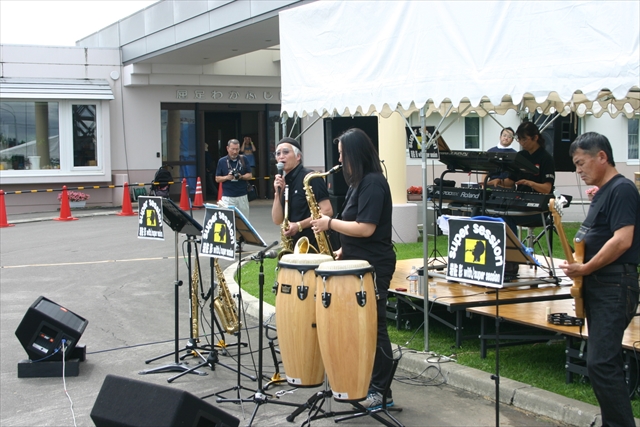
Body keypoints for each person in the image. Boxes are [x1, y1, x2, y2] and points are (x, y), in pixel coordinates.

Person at [311, 128, 396, 410]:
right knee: (361, 327)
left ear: (354, 154)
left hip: (374, 265)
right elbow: (356, 226)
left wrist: (329, 224)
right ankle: (365, 382)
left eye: (341, 154)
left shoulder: (372, 183)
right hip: (358, 261)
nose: (339, 160)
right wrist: (343, 250)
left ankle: (382, 391)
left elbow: (366, 228)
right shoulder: (359, 183)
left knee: (374, 327)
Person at [559, 132, 639, 427]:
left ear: (602, 157)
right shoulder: (605, 191)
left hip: (614, 284)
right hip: (599, 283)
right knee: (600, 363)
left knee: (602, 362)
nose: (578, 171)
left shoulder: (622, 189)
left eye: (581, 163)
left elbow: (622, 240)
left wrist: (587, 267)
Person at [271, 137, 333, 250]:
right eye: (278, 153)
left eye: (286, 152)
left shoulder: (311, 177)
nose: (281, 156)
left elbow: (327, 211)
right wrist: (277, 193)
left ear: (298, 156)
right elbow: (277, 220)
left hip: (314, 244)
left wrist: (299, 225)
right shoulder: (284, 181)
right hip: (294, 245)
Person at [215, 139, 252, 250]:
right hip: (227, 196)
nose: (235, 152)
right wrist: (227, 177)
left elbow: (250, 175)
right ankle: (229, 243)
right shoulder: (222, 161)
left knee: (243, 221)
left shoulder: (243, 159)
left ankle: (240, 243)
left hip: (242, 195)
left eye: (237, 149)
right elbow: (217, 178)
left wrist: (241, 176)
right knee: (227, 220)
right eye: (232, 149)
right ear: (227, 148)